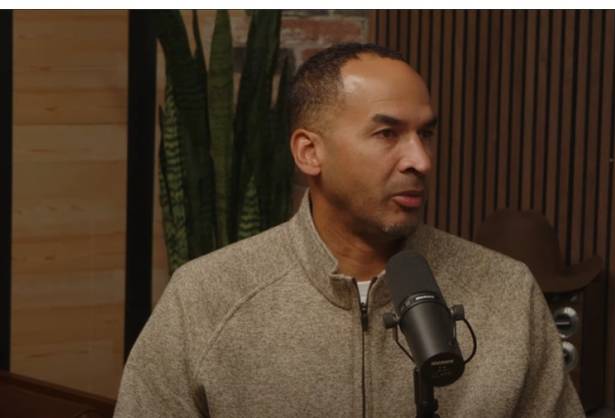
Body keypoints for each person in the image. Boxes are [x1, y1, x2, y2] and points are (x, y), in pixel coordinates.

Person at [114, 42, 584, 418]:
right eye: (387, 134)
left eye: (425, 134)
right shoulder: (205, 296)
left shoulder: (506, 292)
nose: (420, 160)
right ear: (309, 152)